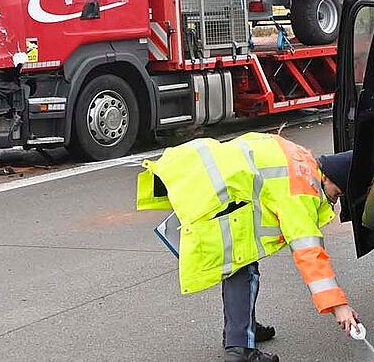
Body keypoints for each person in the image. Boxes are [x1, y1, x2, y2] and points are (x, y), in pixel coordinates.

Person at [137, 132, 360, 362]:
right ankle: (240, 349)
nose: (334, 201)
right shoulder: (303, 188)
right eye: (337, 193)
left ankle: (243, 329)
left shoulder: (299, 156)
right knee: (242, 267)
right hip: (216, 194)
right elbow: (309, 251)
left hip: (199, 175)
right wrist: (339, 306)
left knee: (241, 263)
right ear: (330, 178)